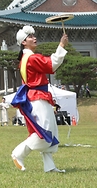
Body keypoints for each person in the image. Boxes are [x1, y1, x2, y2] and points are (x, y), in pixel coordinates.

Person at [10, 25, 69, 173]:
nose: (34, 38)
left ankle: (49, 167)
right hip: (38, 97)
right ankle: (18, 153)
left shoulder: (25, 58)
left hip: (37, 97)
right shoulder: (31, 58)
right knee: (44, 131)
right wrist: (61, 45)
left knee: (50, 131)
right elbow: (51, 65)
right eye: (30, 36)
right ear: (24, 42)